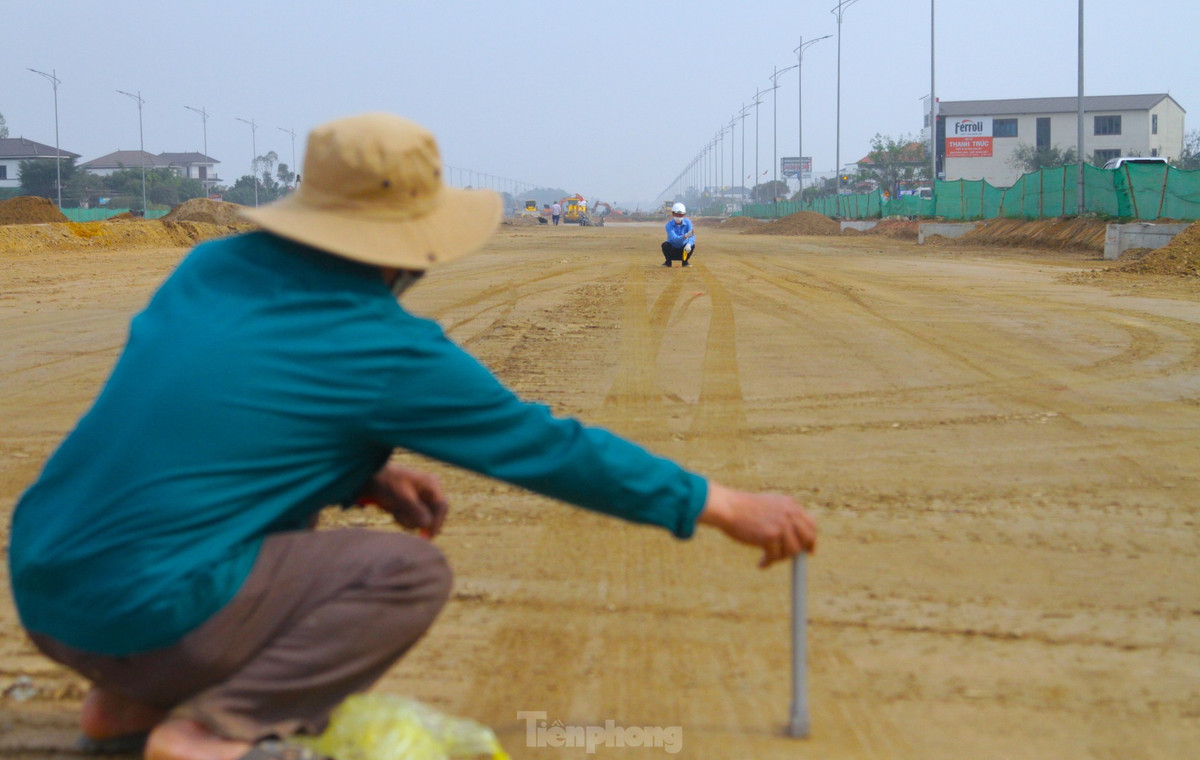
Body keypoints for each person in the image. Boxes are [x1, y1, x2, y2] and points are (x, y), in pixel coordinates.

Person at [8, 113, 816, 760]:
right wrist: (721, 503)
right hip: (147, 602)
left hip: (46, 586)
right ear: (412, 245)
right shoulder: (383, 347)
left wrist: (358, 476)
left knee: (217, 536)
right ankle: (207, 735)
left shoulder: (208, 270)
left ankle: (120, 709)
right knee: (403, 574)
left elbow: (213, 426)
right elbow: (554, 452)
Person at [661, 202, 695, 267]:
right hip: (672, 250)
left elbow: (692, 235)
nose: (678, 217)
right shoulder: (669, 225)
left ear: (684, 214)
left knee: (692, 245)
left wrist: (689, 244)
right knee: (665, 245)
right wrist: (685, 236)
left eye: (680, 215)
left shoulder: (688, 222)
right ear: (673, 214)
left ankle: (685, 262)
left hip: (684, 250)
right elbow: (674, 239)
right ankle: (668, 262)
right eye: (676, 215)